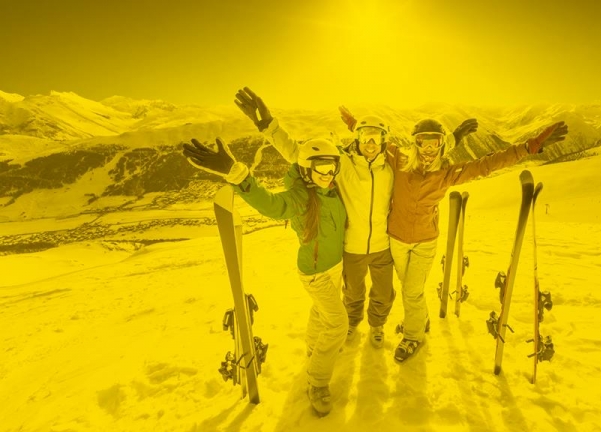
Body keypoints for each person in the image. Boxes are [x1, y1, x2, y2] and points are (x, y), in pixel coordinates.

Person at [340, 108, 568, 362]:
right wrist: (354, 124)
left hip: (424, 242)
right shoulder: (400, 161)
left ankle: (413, 336)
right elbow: (373, 139)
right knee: (410, 289)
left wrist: (528, 147)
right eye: (422, 142)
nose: (428, 149)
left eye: (435, 143)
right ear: (415, 144)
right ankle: (420, 319)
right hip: (396, 240)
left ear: (441, 145)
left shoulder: (446, 173)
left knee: (412, 292)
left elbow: (486, 165)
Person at [182, 136, 346, 416]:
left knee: (322, 312)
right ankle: (317, 382)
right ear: (306, 169)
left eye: (332, 167)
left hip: (335, 266)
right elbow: (271, 204)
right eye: (320, 167)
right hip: (315, 272)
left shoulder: (332, 190)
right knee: (338, 324)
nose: (327, 174)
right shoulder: (301, 196)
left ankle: (313, 350)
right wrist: (237, 173)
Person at [234, 87, 398, 349]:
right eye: (365, 137)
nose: (370, 143)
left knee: (384, 292)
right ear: (357, 139)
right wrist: (268, 126)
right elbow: (299, 153)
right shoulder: (343, 164)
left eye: (376, 138)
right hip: (352, 246)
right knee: (353, 293)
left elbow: (424, 163)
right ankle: (351, 324)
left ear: (384, 141)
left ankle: (377, 325)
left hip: (382, 245)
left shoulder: (391, 168)